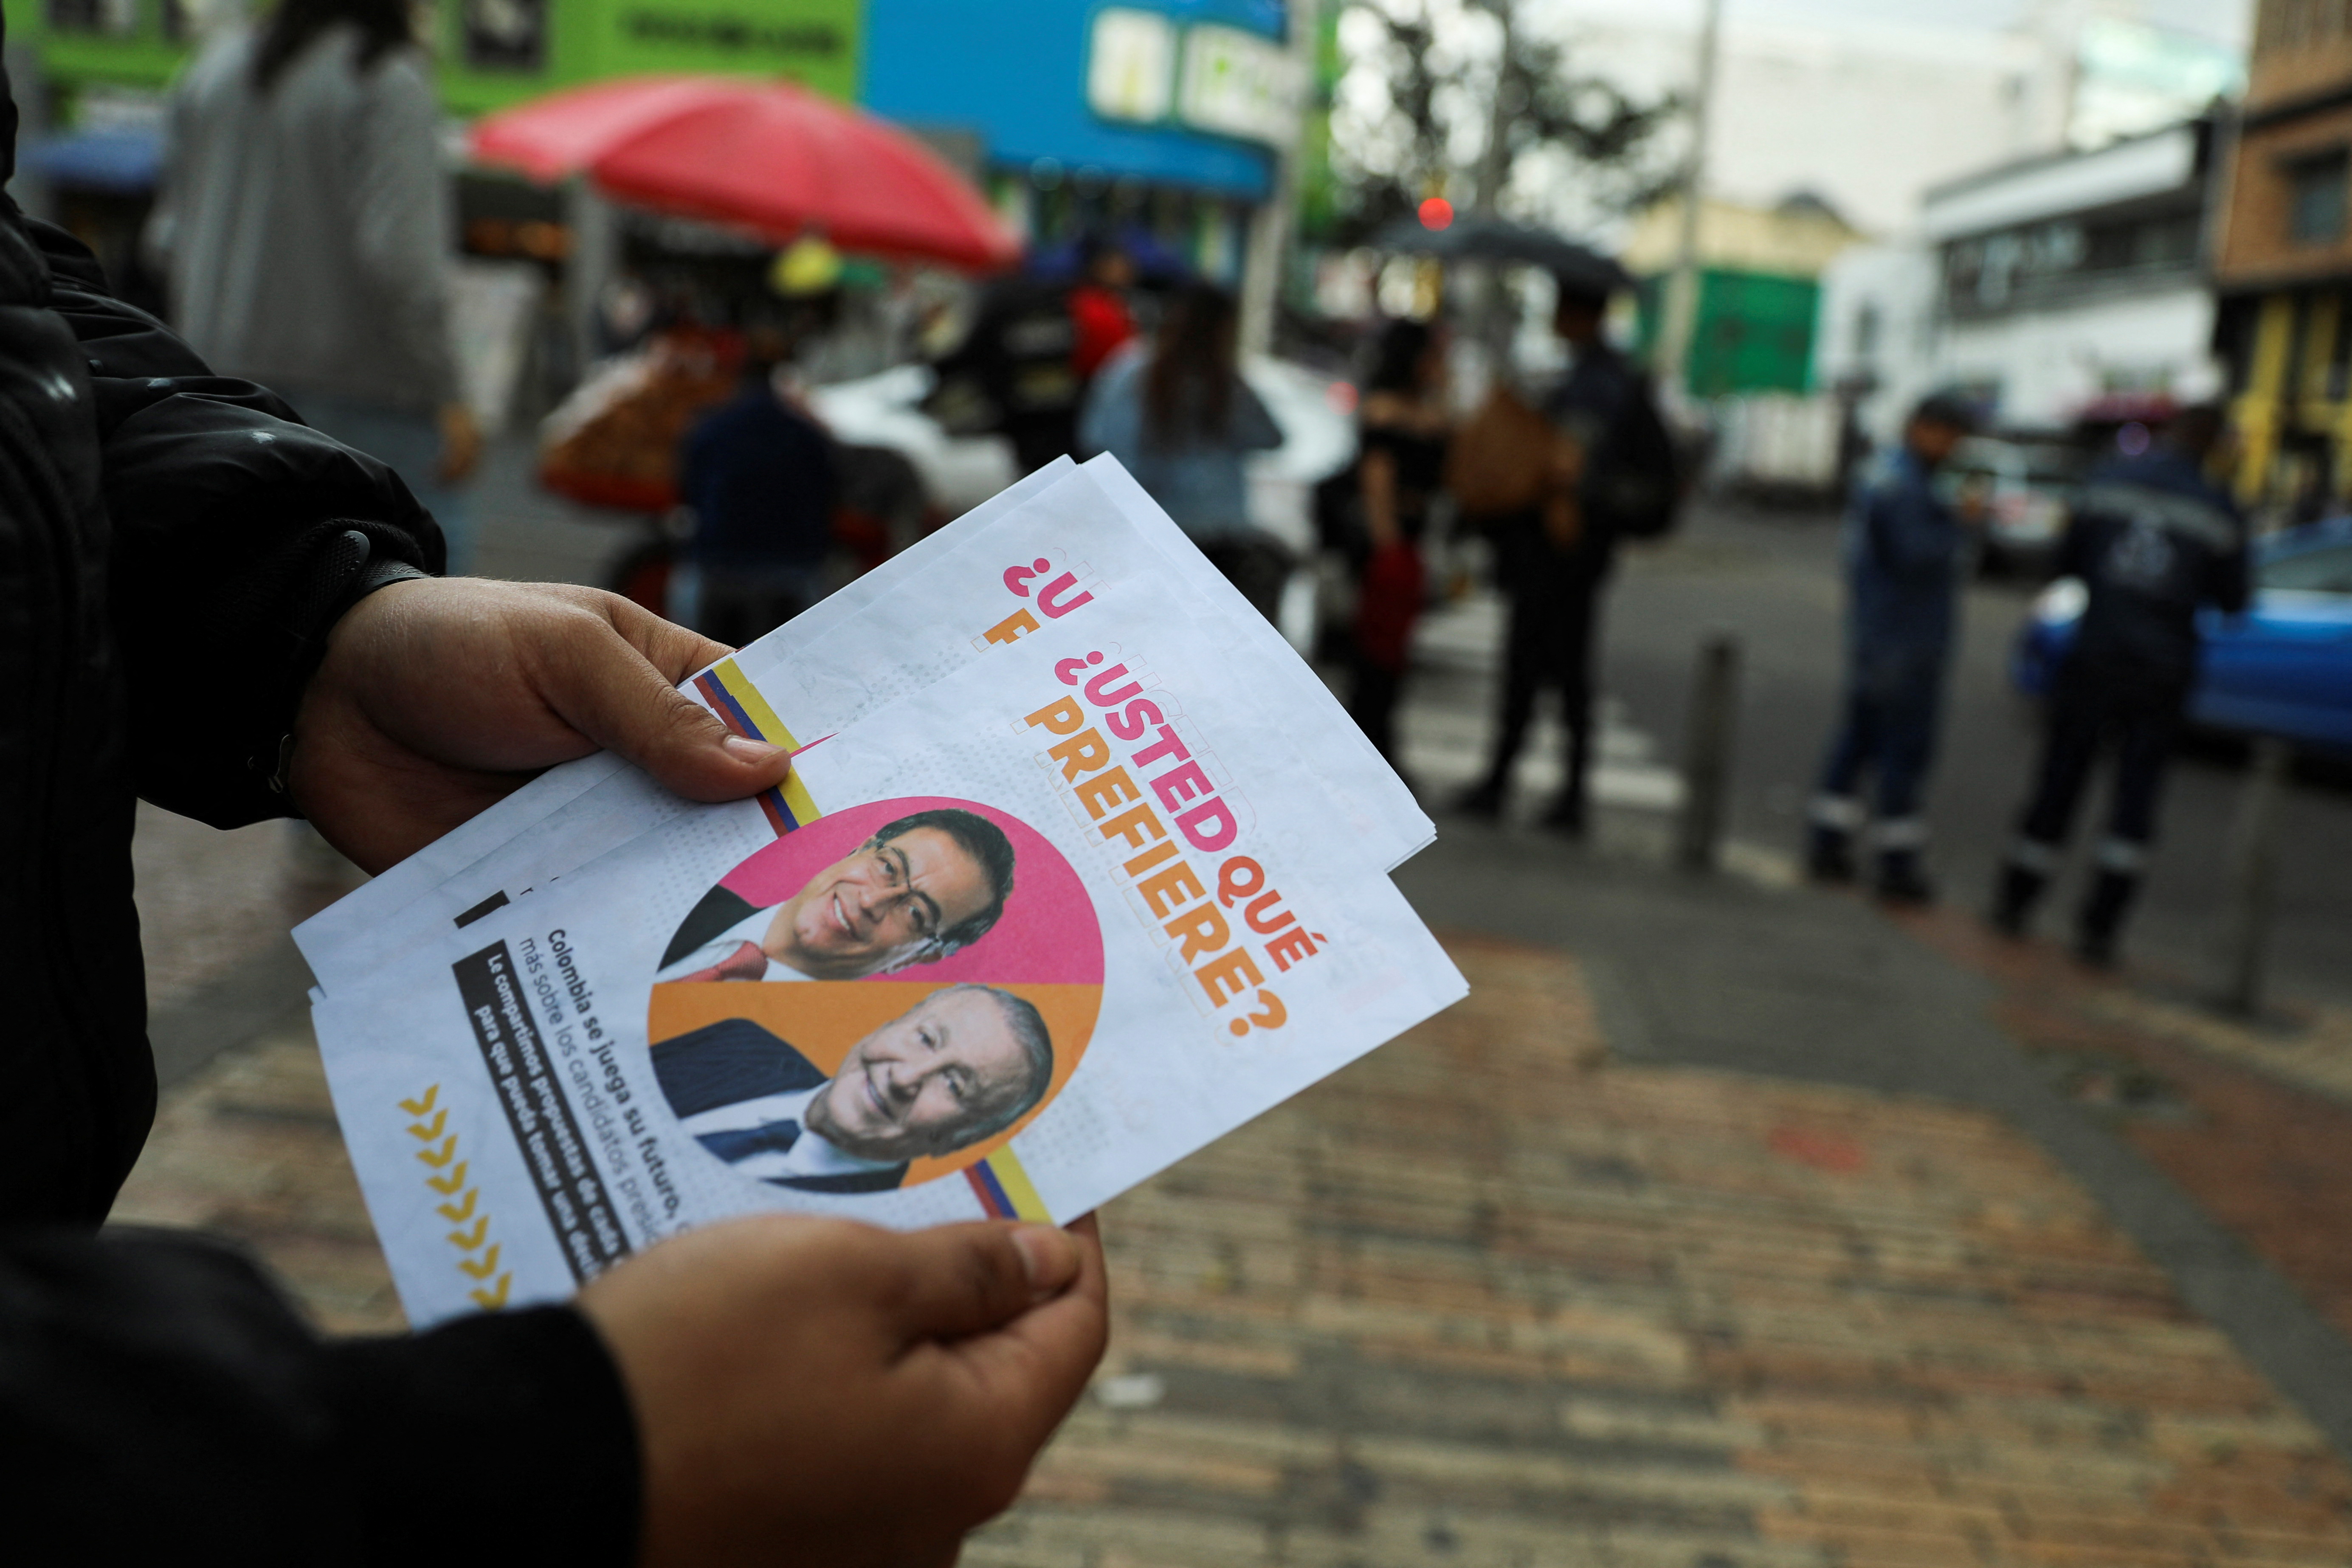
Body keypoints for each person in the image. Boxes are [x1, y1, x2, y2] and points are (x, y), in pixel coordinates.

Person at [0, 34, 1105, 1558]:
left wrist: (311, 627)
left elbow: (30, 322)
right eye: (897, 867)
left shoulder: (223, 75)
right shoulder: (374, 83)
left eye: (915, 922)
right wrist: (519, 1463)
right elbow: (379, 268)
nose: (878, 916)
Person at [149, 0, 483, 569]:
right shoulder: (384, 77)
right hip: (371, 400)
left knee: (249, 590)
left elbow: (164, 240)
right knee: (413, 598)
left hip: (222, 388)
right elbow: (401, 262)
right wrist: (450, 393)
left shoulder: (212, 67)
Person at [1990, 405, 2250, 966]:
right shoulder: (2217, 507)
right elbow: (2233, 600)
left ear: (2170, 433)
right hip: (2162, 671)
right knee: (2134, 800)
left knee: (2059, 780)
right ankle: (2099, 930)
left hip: (2094, 657)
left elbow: (2066, 562)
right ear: (2214, 445)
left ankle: (2015, 903)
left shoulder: (2107, 481)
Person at [1456, 275, 1679, 832]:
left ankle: (1524, 787)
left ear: (1582, 315)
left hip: (1562, 547)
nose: (1556, 317)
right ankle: (1551, 789)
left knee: (1540, 669)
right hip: (1576, 550)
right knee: (1563, 671)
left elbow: (1569, 465)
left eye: (1563, 307)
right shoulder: (1600, 376)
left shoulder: (1597, 383)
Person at [1804, 393, 1979, 901]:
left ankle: (1827, 843)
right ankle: (1896, 866)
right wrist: (1960, 522)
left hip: (1878, 633)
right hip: (1904, 639)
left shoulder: (1887, 474)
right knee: (1903, 750)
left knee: (1857, 740)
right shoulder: (1905, 484)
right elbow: (1915, 553)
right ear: (1923, 428)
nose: (1955, 448)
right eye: (1951, 436)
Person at [654, 987, 1055, 1193]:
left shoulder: (869, 1242)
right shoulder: (740, 1043)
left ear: (957, 1140)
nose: (904, 1077)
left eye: (953, 1085)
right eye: (926, 1038)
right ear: (889, 1024)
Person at [1080, 281, 1288, 619]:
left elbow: (1098, 440)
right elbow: (1271, 438)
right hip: (1218, 534)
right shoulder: (1222, 383)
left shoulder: (1129, 370)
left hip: (1149, 530)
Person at [658, 808, 1017, 982]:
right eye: (888, 867)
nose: (870, 901)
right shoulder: (682, 892)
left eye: (915, 914)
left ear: (921, 956)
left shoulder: (810, 1077)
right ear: (859, 850)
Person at [676, 332, 839, 646]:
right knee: (815, 638)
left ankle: (682, 657)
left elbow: (690, 494)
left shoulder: (709, 428)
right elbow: (828, 496)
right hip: (794, 566)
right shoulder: (807, 435)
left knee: (686, 611)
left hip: (720, 563)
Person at [1346, 318, 1452, 767]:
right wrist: (1387, 544)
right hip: (1389, 545)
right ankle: (1369, 744)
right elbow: (1377, 481)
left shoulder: (1423, 411)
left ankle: (1380, 740)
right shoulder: (1384, 411)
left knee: (1393, 653)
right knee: (1376, 652)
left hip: (1411, 540)